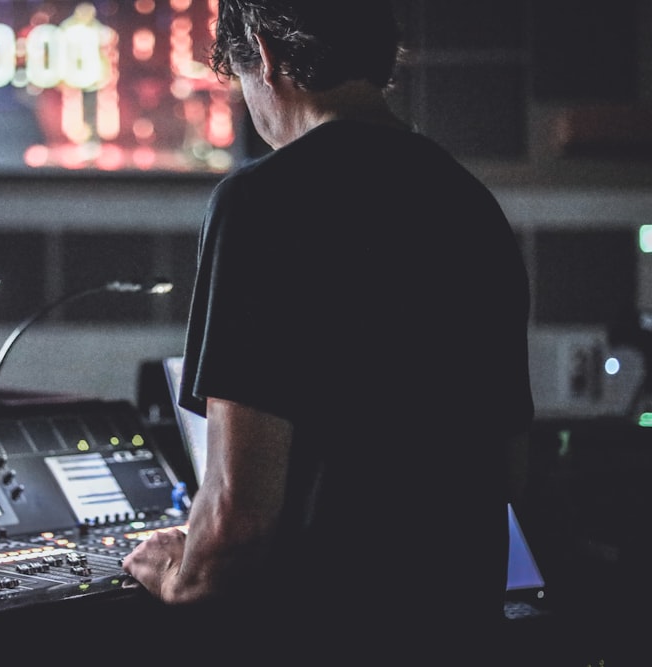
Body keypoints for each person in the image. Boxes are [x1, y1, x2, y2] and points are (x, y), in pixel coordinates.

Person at [120, 1, 534, 664]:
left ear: (267, 52)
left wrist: (175, 569)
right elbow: (507, 473)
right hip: (459, 634)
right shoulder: (471, 204)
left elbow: (235, 521)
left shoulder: (259, 201)